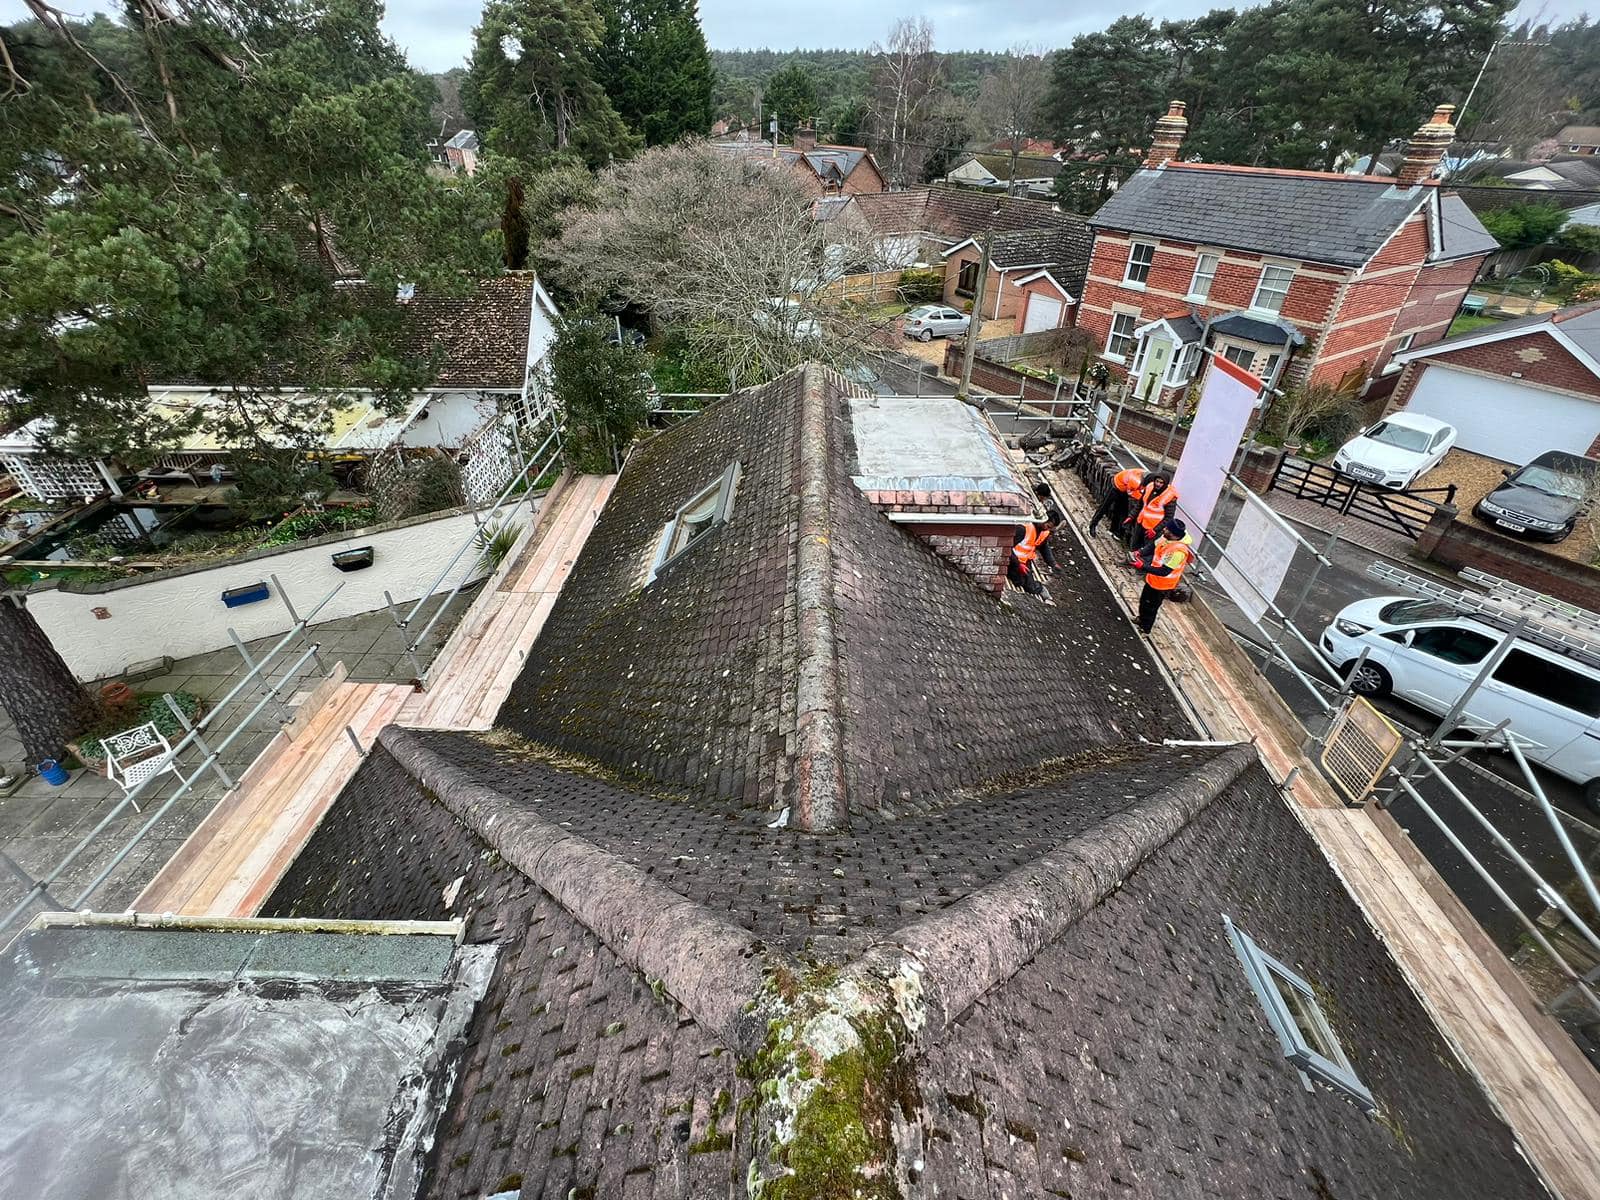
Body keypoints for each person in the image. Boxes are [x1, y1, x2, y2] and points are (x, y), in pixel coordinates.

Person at [1133, 517, 1194, 635]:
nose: (1164, 529)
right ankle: (1141, 619)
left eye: (1167, 529)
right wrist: (1140, 552)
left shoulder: (1178, 552)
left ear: (1173, 534)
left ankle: (1145, 628)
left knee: (1152, 607)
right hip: (1152, 578)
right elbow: (1153, 546)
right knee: (1144, 601)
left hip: (1162, 585)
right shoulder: (1166, 538)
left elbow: (1164, 571)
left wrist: (1142, 566)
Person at [1087, 466, 1146, 542]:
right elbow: (1134, 495)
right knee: (1104, 507)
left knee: (1121, 511)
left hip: (1125, 488)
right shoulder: (1135, 481)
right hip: (1117, 485)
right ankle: (1092, 525)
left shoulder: (1144, 477)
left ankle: (1114, 530)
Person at [1009, 514, 1058, 604]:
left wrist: (1053, 563)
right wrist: (1018, 564)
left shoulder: (1044, 532)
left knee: (1029, 585)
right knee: (1018, 581)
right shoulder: (1024, 528)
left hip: (1025, 561)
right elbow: (1008, 547)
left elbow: (1044, 548)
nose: (1046, 529)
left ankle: (1040, 588)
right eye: (1047, 526)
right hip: (1012, 560)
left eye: (1049, 528)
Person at [1129, 473, 1177, 560]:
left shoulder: (1170, 497)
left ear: (1165, 484)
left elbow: (1169, 517)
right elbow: (1140, 504)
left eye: (1161, 482)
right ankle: (1130, 560)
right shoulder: (1150, 487)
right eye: (1157, 481)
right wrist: (1132, 516)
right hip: (1141, 522)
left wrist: (1155, 530)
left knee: (1146, 550)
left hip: (1153, 528)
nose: (1158, 484)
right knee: (1134, 544)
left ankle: (1140, 567)